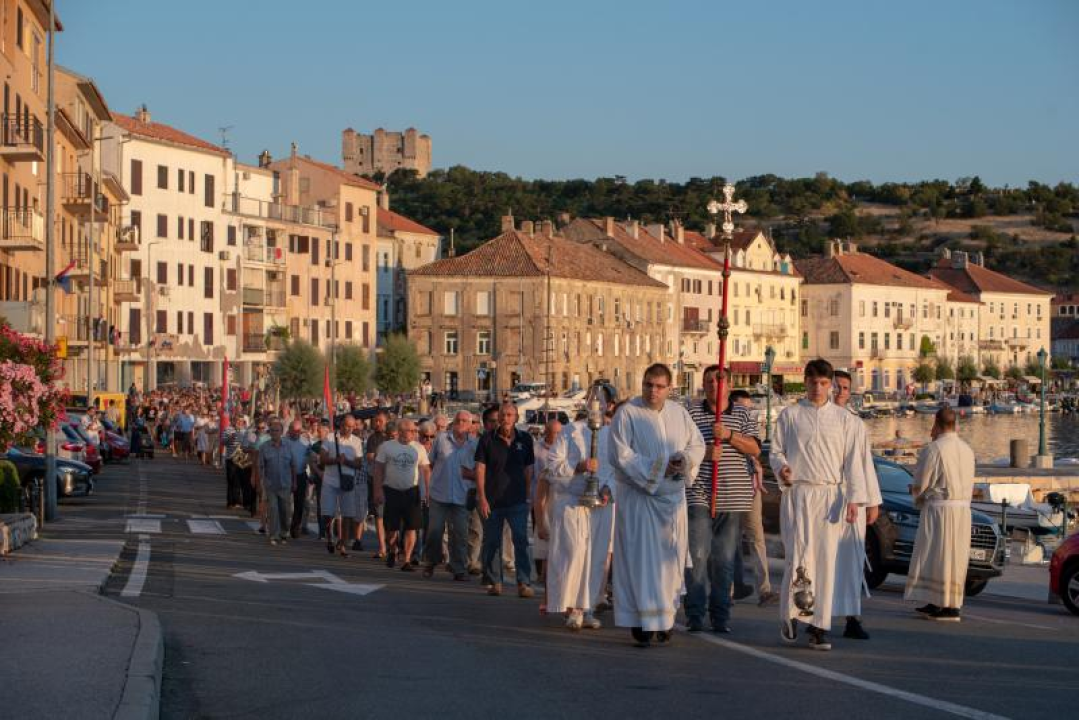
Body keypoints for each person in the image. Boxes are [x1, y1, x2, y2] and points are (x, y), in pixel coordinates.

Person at [769, 359, 868, 651]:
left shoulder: (845, 420)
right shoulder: (790, 415)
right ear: (806, 381)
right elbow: (775, 451)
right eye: (813, 382)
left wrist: (854, 499)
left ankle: (819, 626)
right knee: (799, 558)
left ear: (831, 385)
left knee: (825, 563)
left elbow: (853, 463)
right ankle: (792, 614)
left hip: (830, 497)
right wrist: (782, 468)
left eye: (824, 383)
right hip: (799, 494)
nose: (818, 388)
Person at [609, 363, 705, 647]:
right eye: (649, 384)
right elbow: (620, 455)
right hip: (640, 499)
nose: (653, 391)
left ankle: (665, 618)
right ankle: (641, 620)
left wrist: (683, 461)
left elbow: (697, 445)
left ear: (670, 388)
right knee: (641, 561)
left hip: (672, 501)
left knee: (669, 563)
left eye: (660, 386)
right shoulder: (627, 413)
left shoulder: (679, 413)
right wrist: (658, 467)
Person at [684, 366, 761, 634]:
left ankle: (720, 615)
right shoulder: (691, 413)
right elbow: (683, 450)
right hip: (700, 492)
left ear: (728, 384)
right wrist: (705, 453)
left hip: (733, 495)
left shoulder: (742, 413)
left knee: (724, 560)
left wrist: (728, 435)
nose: (714, 386)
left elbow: (754, 448)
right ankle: (694, 613)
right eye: (708, 382)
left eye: (719, 381)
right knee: (697, 555)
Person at [542, 385, 618, 631]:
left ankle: (589, 607)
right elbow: (553, 465)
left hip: (601, 505)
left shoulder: (613, 435)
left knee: (596, 557)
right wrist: (579, 466)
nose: (597, 405)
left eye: (602, 401)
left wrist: (608, 489)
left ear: (609, 405)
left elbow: (619, 469)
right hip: (573, 501)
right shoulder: (569, 431)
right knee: (574, 554)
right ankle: (572, 607)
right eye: (593, 400)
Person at [905, 407, 975, 622]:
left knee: (937, 556)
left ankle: (946, 606)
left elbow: (922, 481)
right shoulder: (967, 449)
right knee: (955, 557)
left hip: (940, 510)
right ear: (955, 424)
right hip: (963, 510)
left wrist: (916, 494)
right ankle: (942, 602)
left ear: (936, 422)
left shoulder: (934, 449)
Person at [832, 369, 882, 639]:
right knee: (823, 559)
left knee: (851, 559)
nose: (841, 392)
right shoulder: (817, 418)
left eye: (845, 388)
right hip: (826, 498)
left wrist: (872, 501)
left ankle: (852, 616)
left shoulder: (855, 423)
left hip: (854, 499)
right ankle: (815, 615)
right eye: (836, 386)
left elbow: (865, 464)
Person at [474, 402, 536, 598]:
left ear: (516, 417)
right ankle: (495, 581)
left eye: (510, 415)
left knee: (521, 541)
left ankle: (524, 583)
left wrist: (528, 495)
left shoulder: (525, 439)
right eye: (503, 415)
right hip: (492, 501)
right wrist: (482, 497)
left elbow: (529, 469)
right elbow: (480, 469)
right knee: (492, 542)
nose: (505, 418)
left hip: (517, 500)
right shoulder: (486, 439)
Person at [729, 389, 777, 607]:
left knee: (757, 537)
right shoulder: (725, 426)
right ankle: (728, 590)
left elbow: (756, 450)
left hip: (749, 488)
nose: (747, 413)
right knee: (727, 540)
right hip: (727, 487)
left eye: (750, 409)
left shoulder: (749, 428)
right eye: (743, 408)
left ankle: (764, 589)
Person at [422, 411, 477, 581]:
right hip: (439, 494)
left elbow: (478, 470)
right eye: (458, 420)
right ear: (453, 423)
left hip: (461, 496)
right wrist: (428, 488)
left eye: (464, 421)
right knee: (435, 532)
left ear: (470, 425)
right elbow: (430, 463)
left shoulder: (475, 444)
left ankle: (459, 568)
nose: (460, 423)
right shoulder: (441, 439)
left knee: (460, 533)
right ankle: (430, 562)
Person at [372, 419, 431, 571]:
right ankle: (393, 550)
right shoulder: (387, 447)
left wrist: (428, 491)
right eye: (411, 431)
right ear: (400, 431)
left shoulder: (419, 448)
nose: (414, 433)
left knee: (412, 527)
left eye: (414, 431)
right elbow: (378, 469)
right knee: (392, 528)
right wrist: (377, 490)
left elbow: (425, 470)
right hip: (392, 491)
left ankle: (407, 560)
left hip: (412, 491)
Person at [320, 415, 364, 557]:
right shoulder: (330, 438)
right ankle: (329, 539)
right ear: (341, 425)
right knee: (328, 513)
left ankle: (343, 544)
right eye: (346, 426)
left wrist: (346, 462)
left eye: (352, 426)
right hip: (330, 481)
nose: (349, 429)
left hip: (347, 481)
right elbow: (322, 459)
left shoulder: (357, 441)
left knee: (348, 514)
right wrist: (336, 460)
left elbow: (359, 463)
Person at [467, 405, 500, 575]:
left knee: (496, 533)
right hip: (477, 492)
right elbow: (466, 470)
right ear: (485, 423)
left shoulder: (505, 442)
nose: (497, 424)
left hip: (498, 494)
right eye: (493, 421)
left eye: (499, 421)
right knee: (476, 529)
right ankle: (473, 562)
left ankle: (496, 564)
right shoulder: (474, 443)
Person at [531, 416, 563, 587]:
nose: (558, 436)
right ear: (547, 433)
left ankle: (550, 574)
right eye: (555, 433)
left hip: (558, 501)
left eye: (560, 433)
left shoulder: (566, 452)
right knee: (542, 535)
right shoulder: (537, 449)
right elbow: (532, 473)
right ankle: (541, 574)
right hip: (540, 498)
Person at [257, 420, 297, 546]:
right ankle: (273, 535)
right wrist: (260, 482)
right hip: (270, 484)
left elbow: (293, 465)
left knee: (285, 511)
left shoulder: (289, 446)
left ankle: (284, 533)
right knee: (273, 509)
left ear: (282, 432)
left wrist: (295, 482)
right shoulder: (264, 447)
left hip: (285, 484)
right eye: (272, 430)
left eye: (277, 430)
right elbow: (260, 466)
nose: (274, 433)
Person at [363, 410, 392, 556]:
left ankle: (393, 546)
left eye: (380, 421)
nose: (377, 423)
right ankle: (382, 547)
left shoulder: (393, 437)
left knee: (392, 515)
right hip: (377, 480)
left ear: (387, 421)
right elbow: (370, 456)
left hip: (393, 481)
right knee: (379, 515)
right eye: (376, 421)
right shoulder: (373, 438)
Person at [284, 420, 313, 539]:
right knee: (285, 503)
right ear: (289, 429)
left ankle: (295, 527)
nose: (296, 433)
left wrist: (311, 474)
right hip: (286, 475)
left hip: (301, 475)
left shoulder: (306, 443)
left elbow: (310, 459)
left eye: (298, 431)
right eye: (294, 430)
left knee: (299, 503)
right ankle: (283, 526)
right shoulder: (283, 442)